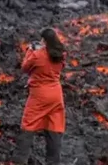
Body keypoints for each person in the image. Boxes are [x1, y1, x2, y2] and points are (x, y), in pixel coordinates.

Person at [12, 28, 67, 165]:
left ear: (44, 40)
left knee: (28, 125)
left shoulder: (38, 55)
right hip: (56, 95)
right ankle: (53, 162)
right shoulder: (60, 54)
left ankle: (20, 160)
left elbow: (25, 68)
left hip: (40, 95)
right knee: (54, 127)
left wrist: (30, 50)